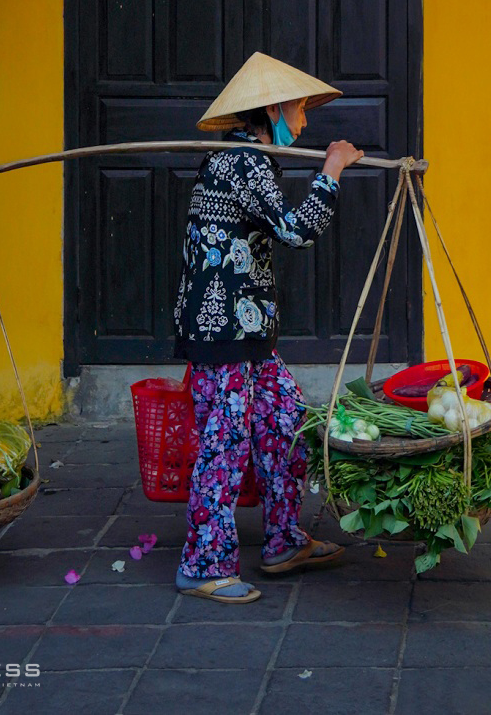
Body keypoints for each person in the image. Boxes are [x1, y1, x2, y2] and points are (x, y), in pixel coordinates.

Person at [173, 51, 363, 605]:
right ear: (276, 108)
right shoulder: (243, 164)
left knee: (284, 420)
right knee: (225, 443)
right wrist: (331, 169)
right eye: (301, 109)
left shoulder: (247, 161)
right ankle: (203, 565)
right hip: (222, 330)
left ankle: (282, 539)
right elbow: (294, 231)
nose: (303, 123)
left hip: (247, 328)